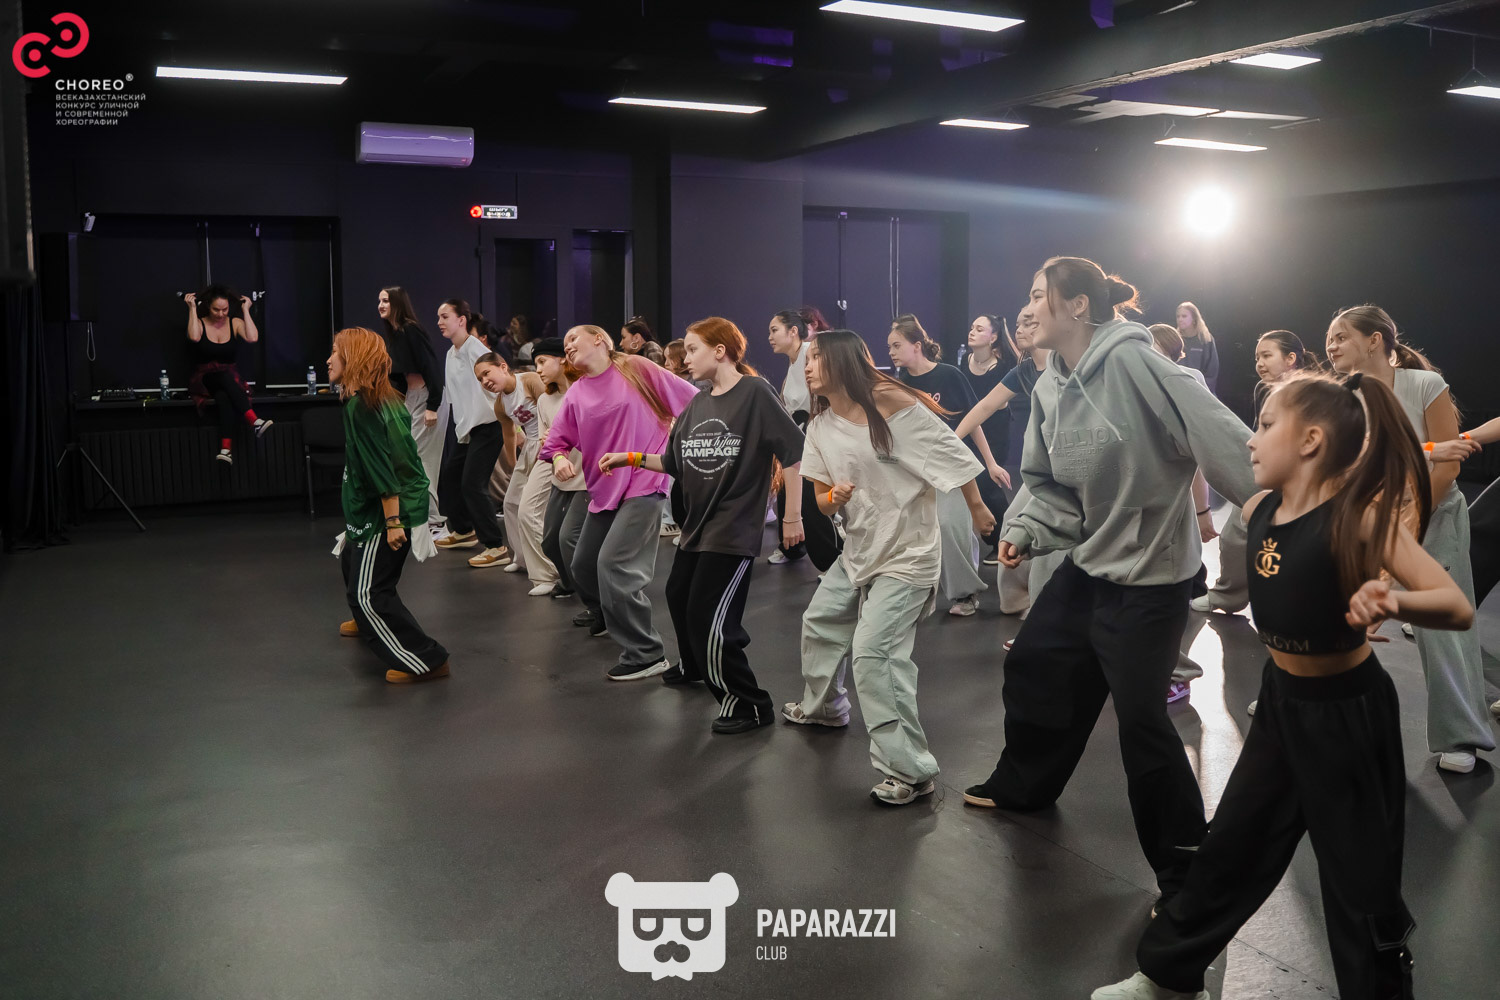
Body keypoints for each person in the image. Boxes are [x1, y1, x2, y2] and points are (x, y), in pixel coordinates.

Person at [1092, 371, 1472, 1000]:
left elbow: (1454, 604)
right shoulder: (1259, 508)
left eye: (1266, 425)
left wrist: (1394, 601)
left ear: (1311, 441)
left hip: (1347, 717)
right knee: (1231, 848)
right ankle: (1168, 976)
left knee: (1360, 878)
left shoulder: (1357, 519)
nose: (1251, 439)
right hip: (1280, 706)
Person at [962, 257, 1258, 912]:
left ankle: (1188, 874)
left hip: (1152, 575)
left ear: (1078, 307)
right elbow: (1048, 482)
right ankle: (1026, 785)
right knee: (1036, 665)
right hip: (1091, 563)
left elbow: (1220, 437)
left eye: (1039, 295)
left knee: (1143, 723)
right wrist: (1026, 527)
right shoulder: (1051, 383)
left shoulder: (1138, 362)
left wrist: (1281, 513)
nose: (1027, 309)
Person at [783, 330, 997, 805]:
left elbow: (952, 456)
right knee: (820, 622)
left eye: (816, 358)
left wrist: (978, 508)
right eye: (807, 359)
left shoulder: (894, 408)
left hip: (907, 556)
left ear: (842, 361)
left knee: (874, 655)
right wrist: (833, 497)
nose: (808, 367)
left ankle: (910, 770)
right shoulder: (819, 426)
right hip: (859, 550)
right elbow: (821, 501)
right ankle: (823, 708)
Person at [600, 317, 804, 732]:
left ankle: (749, 704)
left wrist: (792, 516)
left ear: (720, 351)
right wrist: (630, 457)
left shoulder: (754, 393)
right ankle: (695, 665)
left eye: (692, 350)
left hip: (732, 527)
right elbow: (674, 461)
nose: (685, 359)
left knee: (708, 618)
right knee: (678, 595)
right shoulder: (699, 402)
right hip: (697, 526)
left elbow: (794, 453)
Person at [1324, 304, 1495, 773]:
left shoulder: (1424, 384)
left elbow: (1448, 463)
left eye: (1341, 336)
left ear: (1375, 340)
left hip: (1434, 516)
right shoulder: (1342, 396)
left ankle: (1462, 735)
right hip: (1369, 516)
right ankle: (1299, 701)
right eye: (1330, 338)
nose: (1331, 346)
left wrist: (1411, 525)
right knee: (1334, 615)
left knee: (1443, 632)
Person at [538, 325, 701, 679]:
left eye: (573, 339)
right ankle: (608, 613)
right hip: (603, 489)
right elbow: (556, 442)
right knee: (582, 565)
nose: (567, 346)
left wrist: (680, 449)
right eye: (565, 344)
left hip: (645, 480)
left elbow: (693, 402)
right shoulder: (577, 392)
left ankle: (646, 653)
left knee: (613, 566)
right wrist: (560, 459)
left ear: (599, 339)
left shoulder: (635, 368)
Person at [328, 327, 450, 684]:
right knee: (351, 558)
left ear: (353, 359)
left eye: (335, 352)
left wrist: (393, 521)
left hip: (386, 510)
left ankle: (426, 660)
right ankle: (367, 619)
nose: (328, 359)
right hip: (375, 505)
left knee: (368, 594)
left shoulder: (362, 407)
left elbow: (383, 468)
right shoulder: (378, 399)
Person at [888, 314, 1009, 617]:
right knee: (922, 530)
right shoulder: (900, 385)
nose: (891, 352)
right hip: (918, 468)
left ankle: (965, 594)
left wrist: (990, 463)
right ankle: (918, 591)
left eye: (896, 345)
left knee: (951, 525)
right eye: (889, 347)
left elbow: (974, 419)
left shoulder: (949, 375)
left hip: (954, 466)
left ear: (916, 345)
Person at [434, 299, 510, 568]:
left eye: (445, 316)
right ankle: (464, 530)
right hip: (467, 429)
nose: (440, 322)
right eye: (439, 317)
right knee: (450, 478)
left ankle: (495, 545)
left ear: (461, 320)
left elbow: (500, 375)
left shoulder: (474, 347)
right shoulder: (450, 353)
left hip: (489, 425)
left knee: (472, 484)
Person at [475, 351, 559, 594]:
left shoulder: (529, 381)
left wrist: (552, 445)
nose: (485, 381)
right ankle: (522, 557)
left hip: (547, 442)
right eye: (480, 379)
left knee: (529, 511)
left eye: (487, 373)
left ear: (503, 367)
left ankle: (548, 571)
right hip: (529, 448)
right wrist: (514, 466)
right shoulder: (500, 404)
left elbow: (552, 408)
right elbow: (509, 434)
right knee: (511, 502)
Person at [765, 307, 841, 571]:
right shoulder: (794, 361)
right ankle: (792, 546)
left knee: (810, 499)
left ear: (793, 331)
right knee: (788, 490)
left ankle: (834, 562)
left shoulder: (811, 352)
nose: (770, 337)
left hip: (816, 436)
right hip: (798, 437)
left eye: (774, 330)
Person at [377, 286, 445, 531]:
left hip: (427, 397)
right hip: (413, 398)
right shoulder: (396, 334)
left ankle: (434, 522)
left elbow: (430, 366)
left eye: (386, 300)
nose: (381, 305)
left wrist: (432, 405)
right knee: (410, 458)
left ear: (397, 303)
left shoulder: (411, 330)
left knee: (423, 461)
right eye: (379, 301)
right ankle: (423, 517)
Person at [185, 284, 270, 465]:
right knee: (222, 376)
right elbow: (194, 337)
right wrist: (192, 308)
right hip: (205, 378)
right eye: (216, 309)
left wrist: (245, 310)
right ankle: (254, 420)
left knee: (224, 398)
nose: (221, 314)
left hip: (228, 379)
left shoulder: (234, 322)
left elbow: (253, 338)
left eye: (225, 309)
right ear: (208, 307)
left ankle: (226, 450)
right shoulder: (200, 323)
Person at [957, 314, 1019, 564]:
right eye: (972, 327)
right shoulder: (964, 361)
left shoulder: (1002, 369)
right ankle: (997, 538)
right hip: (970, 430)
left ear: (993, 338)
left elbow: (987, 407)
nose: (972, 332)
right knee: (976, 484)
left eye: (979, 329)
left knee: (987, 485)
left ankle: (1005, 538)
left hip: (994, 434)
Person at [532, 338, 586, 600]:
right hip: (560, 481)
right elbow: (544, 445)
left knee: (568, 539)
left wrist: (561, 438)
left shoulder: (586, 391)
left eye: (542, 362)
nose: (538, 370)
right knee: (550, 542)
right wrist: (548, 443)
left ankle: (592, 598)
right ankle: (569, 583)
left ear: (562, 358)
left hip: (586, 480)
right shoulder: (544, 400)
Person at [1174, 302, 1219, 395]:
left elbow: (1212, 371)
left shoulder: (1206, 339)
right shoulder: (1174, 338)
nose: (1180, 319)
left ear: (1194, 318)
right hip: (1178, 391)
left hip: (1201, 391)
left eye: (1184, 316)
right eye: (1178, 316)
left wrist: (1200, 390)